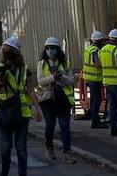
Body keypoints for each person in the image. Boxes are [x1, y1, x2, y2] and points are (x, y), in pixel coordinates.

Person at [0, 34, 42, 176]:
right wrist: (1, 83)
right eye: (6, 51)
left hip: (22, 114)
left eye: (10, 52)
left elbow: (31, 90)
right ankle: (5, 171)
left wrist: (38, 109)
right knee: (6, 147)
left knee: (21, 148)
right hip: (4, 112)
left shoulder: (25, 70)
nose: (7, 55)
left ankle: (22, 173)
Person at [36, 36, 77, 164]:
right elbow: (40, 81)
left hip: (62, 99)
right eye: (48, 48)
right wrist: (52, 78)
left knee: (65, 126)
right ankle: (49, 147)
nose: (50, 51)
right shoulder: (42, 64)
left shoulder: (65, 64)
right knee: (50, 125)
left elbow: (70, 81)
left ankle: (67, 152)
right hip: (48, 100)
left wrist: (61, 76)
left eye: (53, 48)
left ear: (58, 49)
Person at [81, 30, 106, 127]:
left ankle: (93, 116)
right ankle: (95, 121)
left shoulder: (88, 49)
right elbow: (97, 64)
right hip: (95, 78)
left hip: (89, 77)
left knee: (93, 99)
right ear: (100, 41)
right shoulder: (95, 51)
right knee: (97, 99)